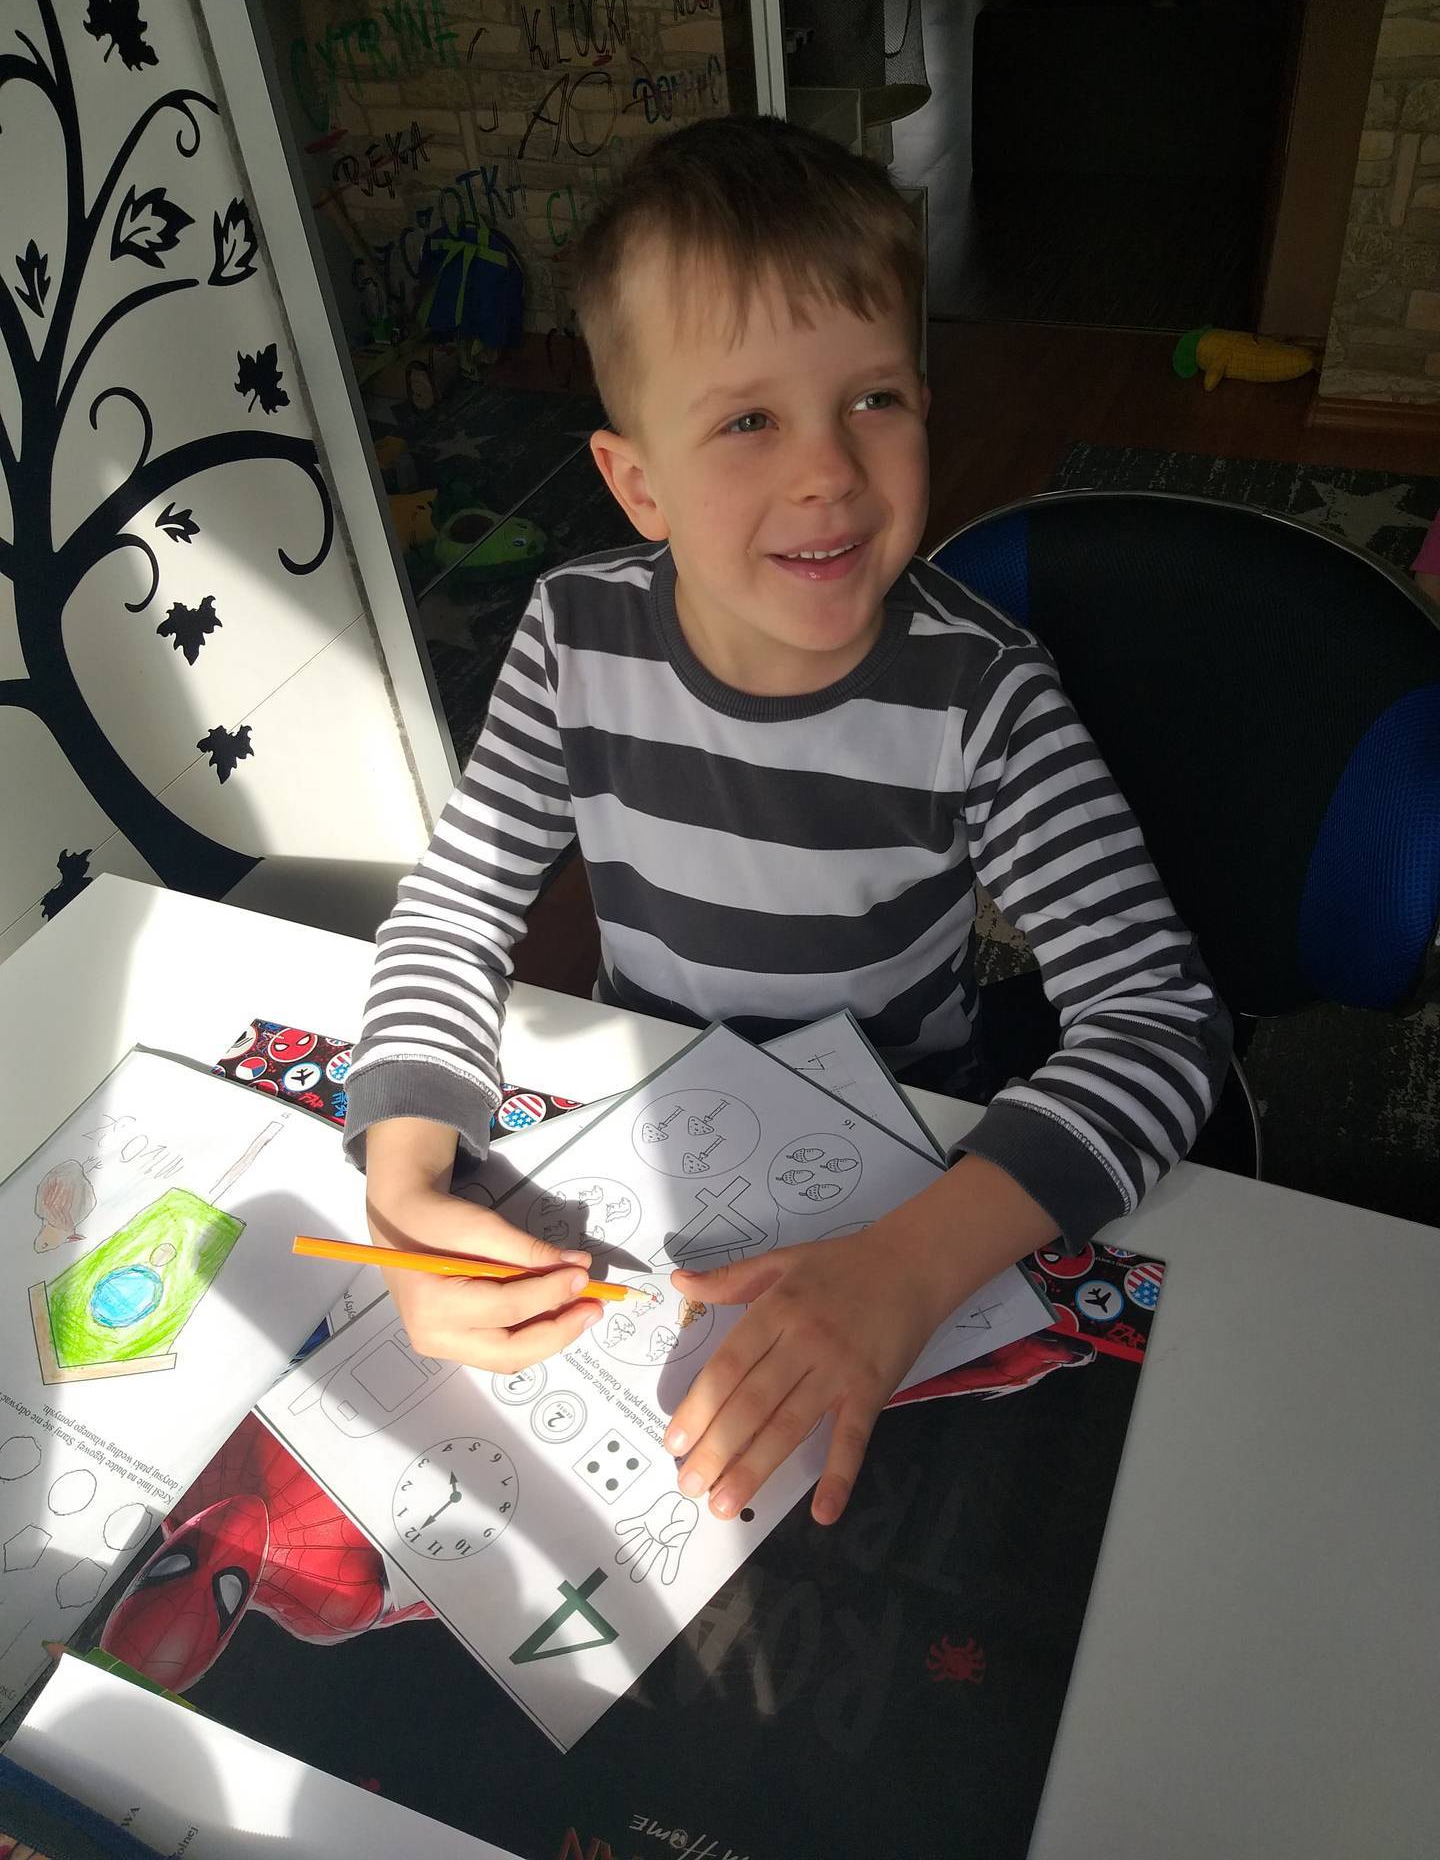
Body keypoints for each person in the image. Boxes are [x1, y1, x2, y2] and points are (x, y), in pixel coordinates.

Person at [345, 115, 1231, 1528]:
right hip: (651, 1154)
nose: (830, 471)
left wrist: (908, 1267)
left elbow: (1163, 1026)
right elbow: (454, 910)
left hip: (909, 1176)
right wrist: (402, 1186)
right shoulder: (574, 640)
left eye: (874, 399)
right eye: (749, 420)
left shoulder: (980, 694)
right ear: (637, 482)